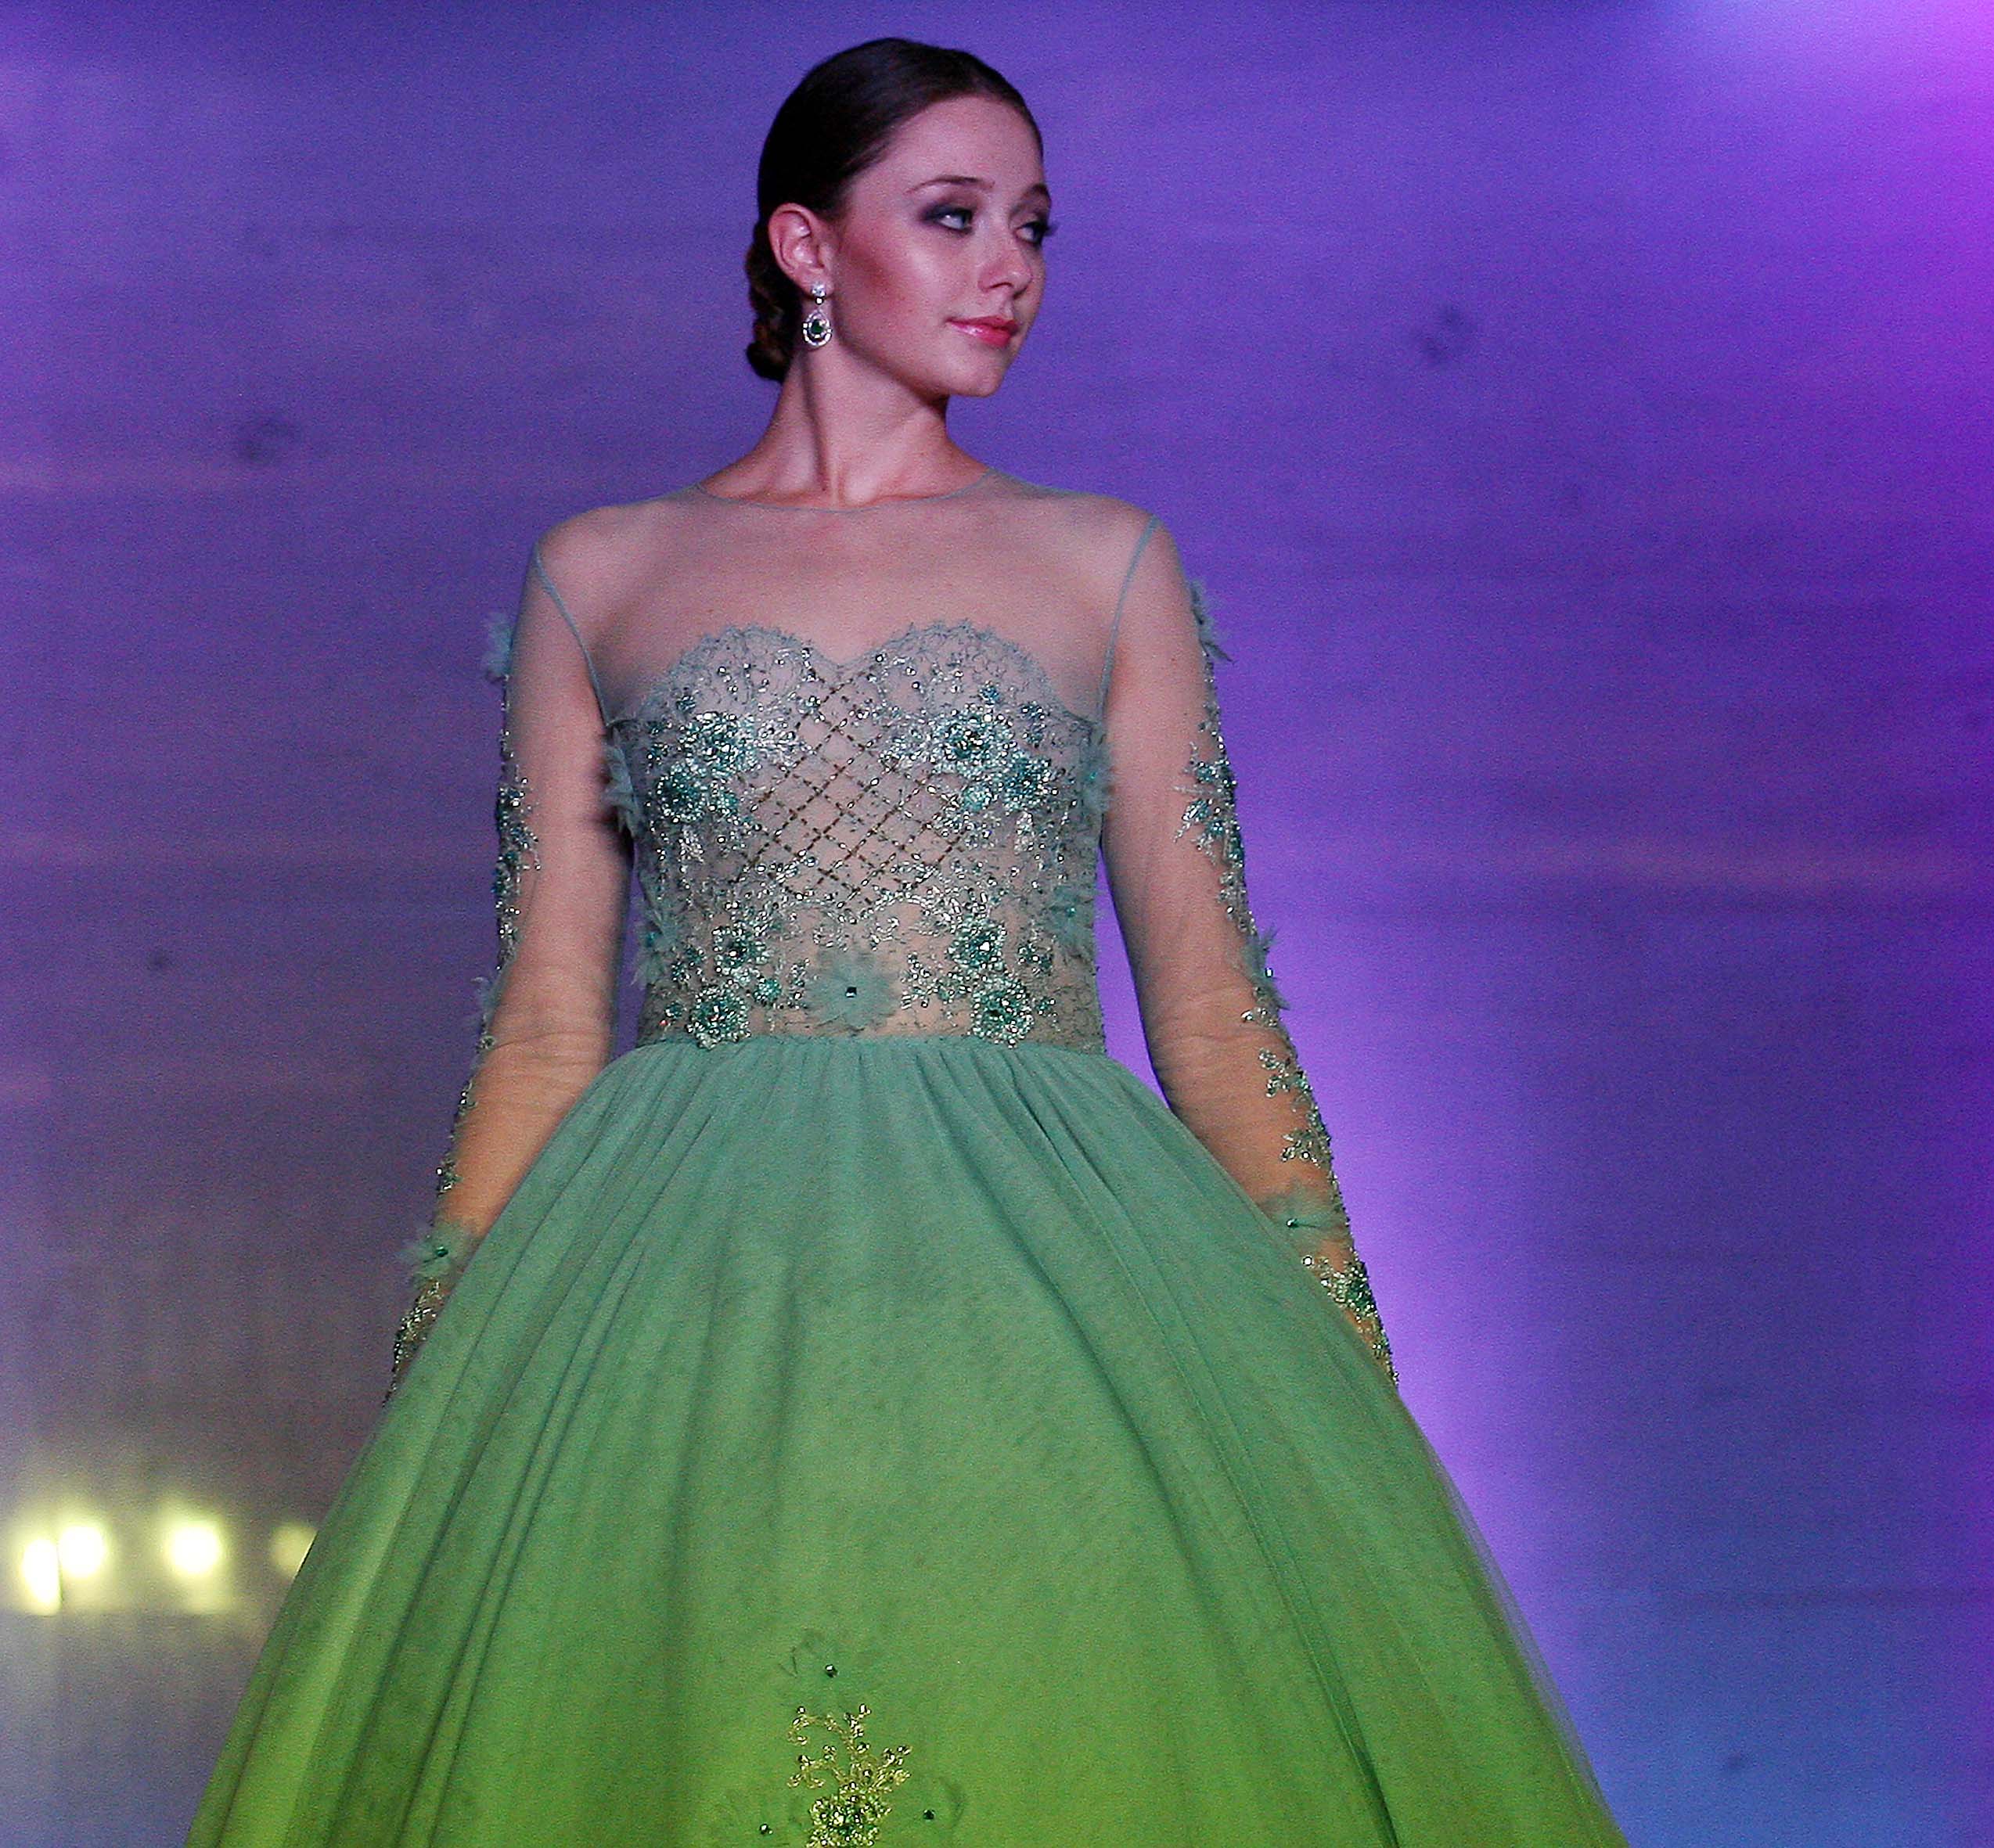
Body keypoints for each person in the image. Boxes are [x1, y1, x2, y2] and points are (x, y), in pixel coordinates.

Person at [185, 37, 1634, 1846]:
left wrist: (1346, 1380)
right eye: (951, 216)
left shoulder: (1102, 562)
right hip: (679, 1275)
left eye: (1032, 225)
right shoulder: (603, 572)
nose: (1007, 267)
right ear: (805, 244)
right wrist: (442, 1380)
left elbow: (1209, 1004)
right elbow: (546, 1019)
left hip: (1056, 1272)